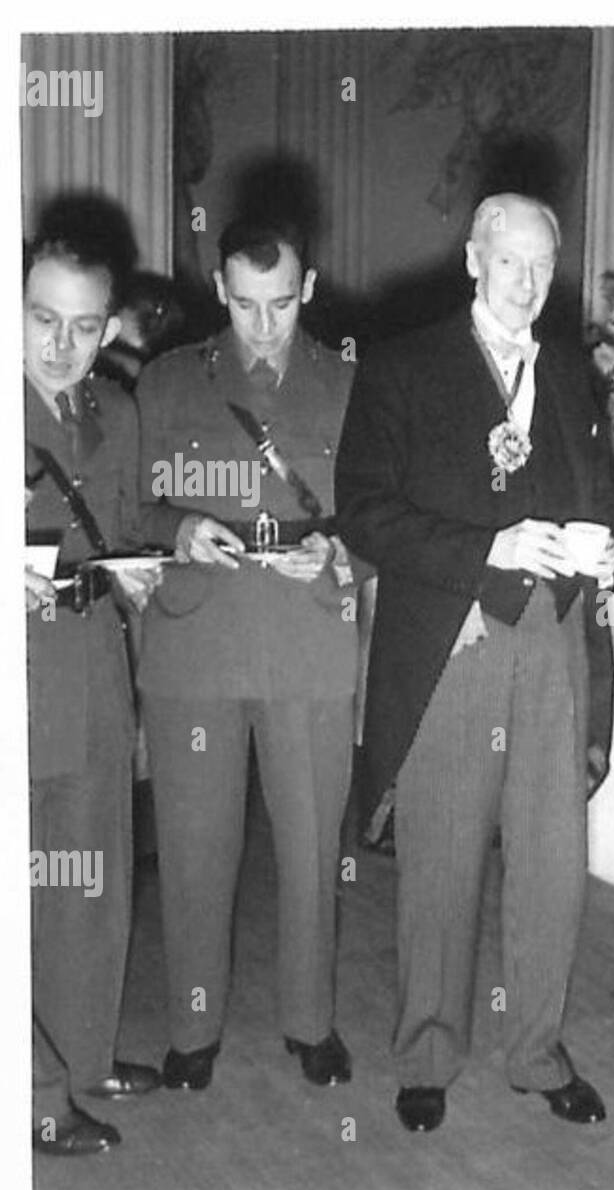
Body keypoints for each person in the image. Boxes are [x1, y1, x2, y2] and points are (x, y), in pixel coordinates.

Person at [335, 192, 614, 1134]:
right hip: (453, 637)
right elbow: (365, 512)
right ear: (472, 259)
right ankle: (426, 1052)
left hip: (551, 640)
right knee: (441, 863)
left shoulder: (573, 376)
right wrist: (485, 552)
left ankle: (537, 1052)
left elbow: (600, 496)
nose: (528, 282)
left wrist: (603, 547)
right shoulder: (403, 365)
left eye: (542, 264)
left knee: (552, 862)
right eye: (510, 263)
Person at [135, 216, 359, 1091]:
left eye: (279, 304)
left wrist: (342, 551)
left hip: (305, 637)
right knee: (194, 845)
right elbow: (130, 504)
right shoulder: (166, 382)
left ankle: (311, 1022)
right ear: (219, 290)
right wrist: (175, 526)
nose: (262, 325)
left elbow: (385, 511)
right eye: (243, 304)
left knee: (310, 846)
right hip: (198, 641)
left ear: (306, 288)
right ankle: (193, 1029)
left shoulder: (350, 382)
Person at [24, 216, 164, 1149]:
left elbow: (120, 524)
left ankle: (85, 1054)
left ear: (109, 323)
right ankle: (32, 1097)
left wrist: (155, 554)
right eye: (42, 320)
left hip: (94, 672)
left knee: (94, 881)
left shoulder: (114, 411)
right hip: (19, 679)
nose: (62, 345)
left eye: (83, 325)